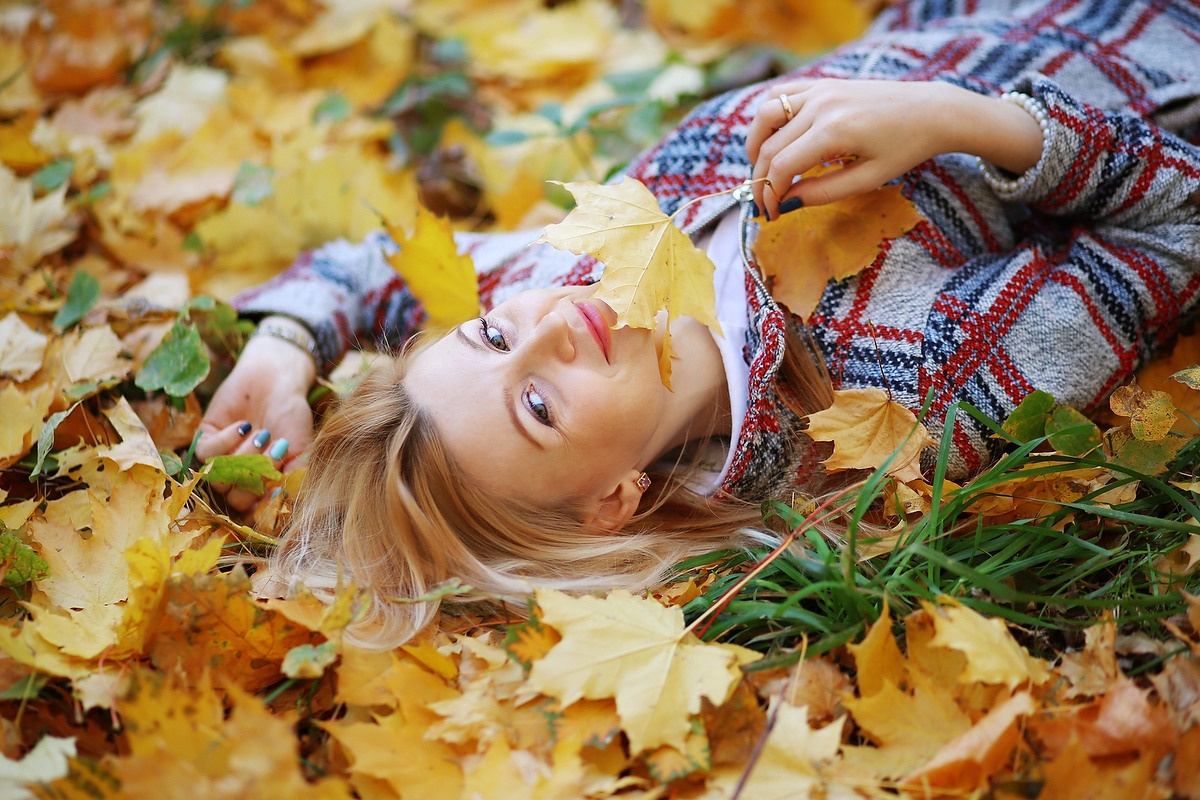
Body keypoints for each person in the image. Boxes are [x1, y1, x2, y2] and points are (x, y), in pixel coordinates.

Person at [197, 0, 1200, 646]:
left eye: (492, 336)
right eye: (539, 405)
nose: (549, 331)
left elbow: (370, 267)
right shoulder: (905, 380)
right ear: (613, 500)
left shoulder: (569, 267)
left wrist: (283, 349)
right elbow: (1179, 228)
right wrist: (963, 121)